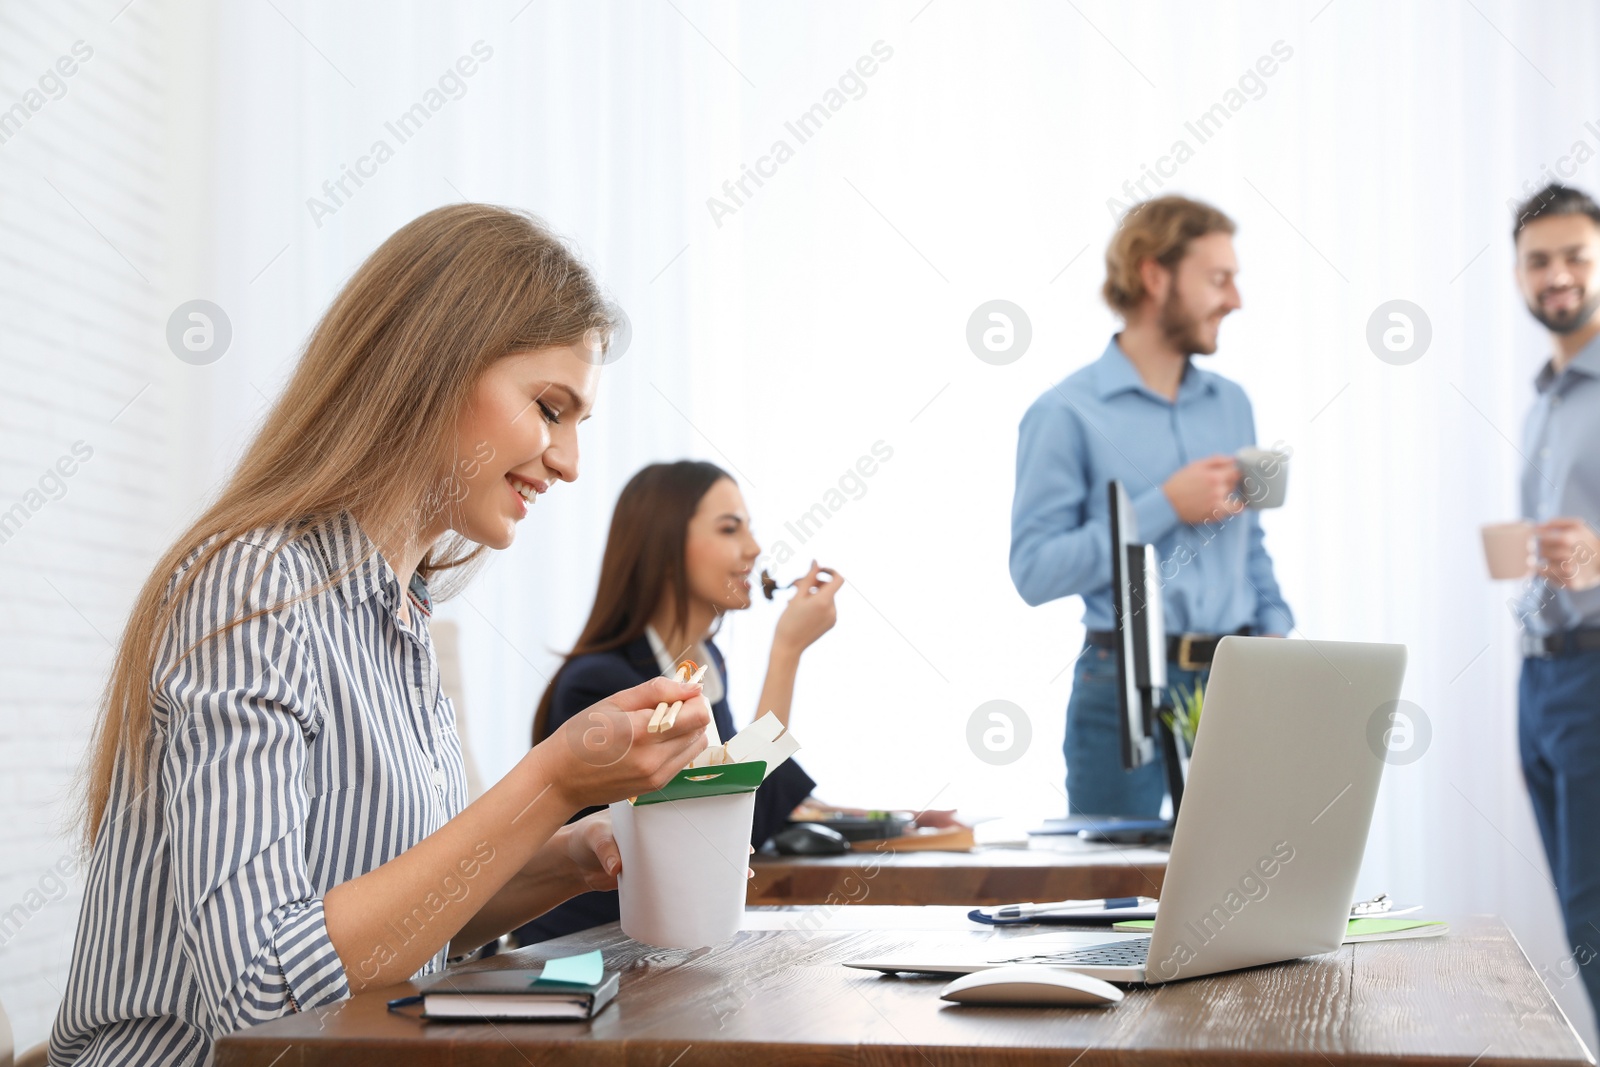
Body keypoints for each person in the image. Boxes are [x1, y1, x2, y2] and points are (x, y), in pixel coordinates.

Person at [50, 205, 717, 1066]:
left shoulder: (399, 615)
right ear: (433, 367)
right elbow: (266, 989)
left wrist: (573, 856)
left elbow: (398, 919)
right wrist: (551, 781)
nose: (569, 461)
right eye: (551, 407)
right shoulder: (255, 589)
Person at [1009, 194, 1293, 818]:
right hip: (1119, 688)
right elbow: (1034, 572)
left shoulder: (1232, 403)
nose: (1235, 299)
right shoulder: (1063, 414)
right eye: (1219, 279)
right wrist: (1164, 504)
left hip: (1235, 681)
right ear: (1154, 275)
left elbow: (1252, 543)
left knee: (1240, 890)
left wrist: (1276, 630)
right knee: (1122, 894)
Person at [517, 461, 840, 944]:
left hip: (668, 945)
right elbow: (731, 819)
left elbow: (732, 796)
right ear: (665, 548)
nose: (753, 549)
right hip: (590, 953)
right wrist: (786, 653)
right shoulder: (603, 684)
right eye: (731, 529)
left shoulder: (708, 669)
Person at [1506, 182, 1600, 1018]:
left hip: (1595, 676)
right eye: (1539, 260)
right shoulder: (1546, 398)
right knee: (1581, 917)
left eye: (1575, 256)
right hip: (1541, 683)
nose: (1557, 275)